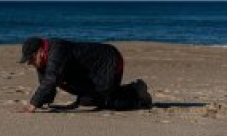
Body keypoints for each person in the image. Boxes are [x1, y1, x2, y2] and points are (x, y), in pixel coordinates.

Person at [17, 37, 153, 113]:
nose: (30, 63)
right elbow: (46, 82)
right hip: (90, 71)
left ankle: (136, 94)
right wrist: (44, 102)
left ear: (40, 52)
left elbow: (51, 79)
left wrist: (32, 104)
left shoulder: (57, 50)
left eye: (31, 60)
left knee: (105, 100)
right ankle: (132, 90)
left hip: (109, 62)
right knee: (86, 101)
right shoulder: (43, 60)